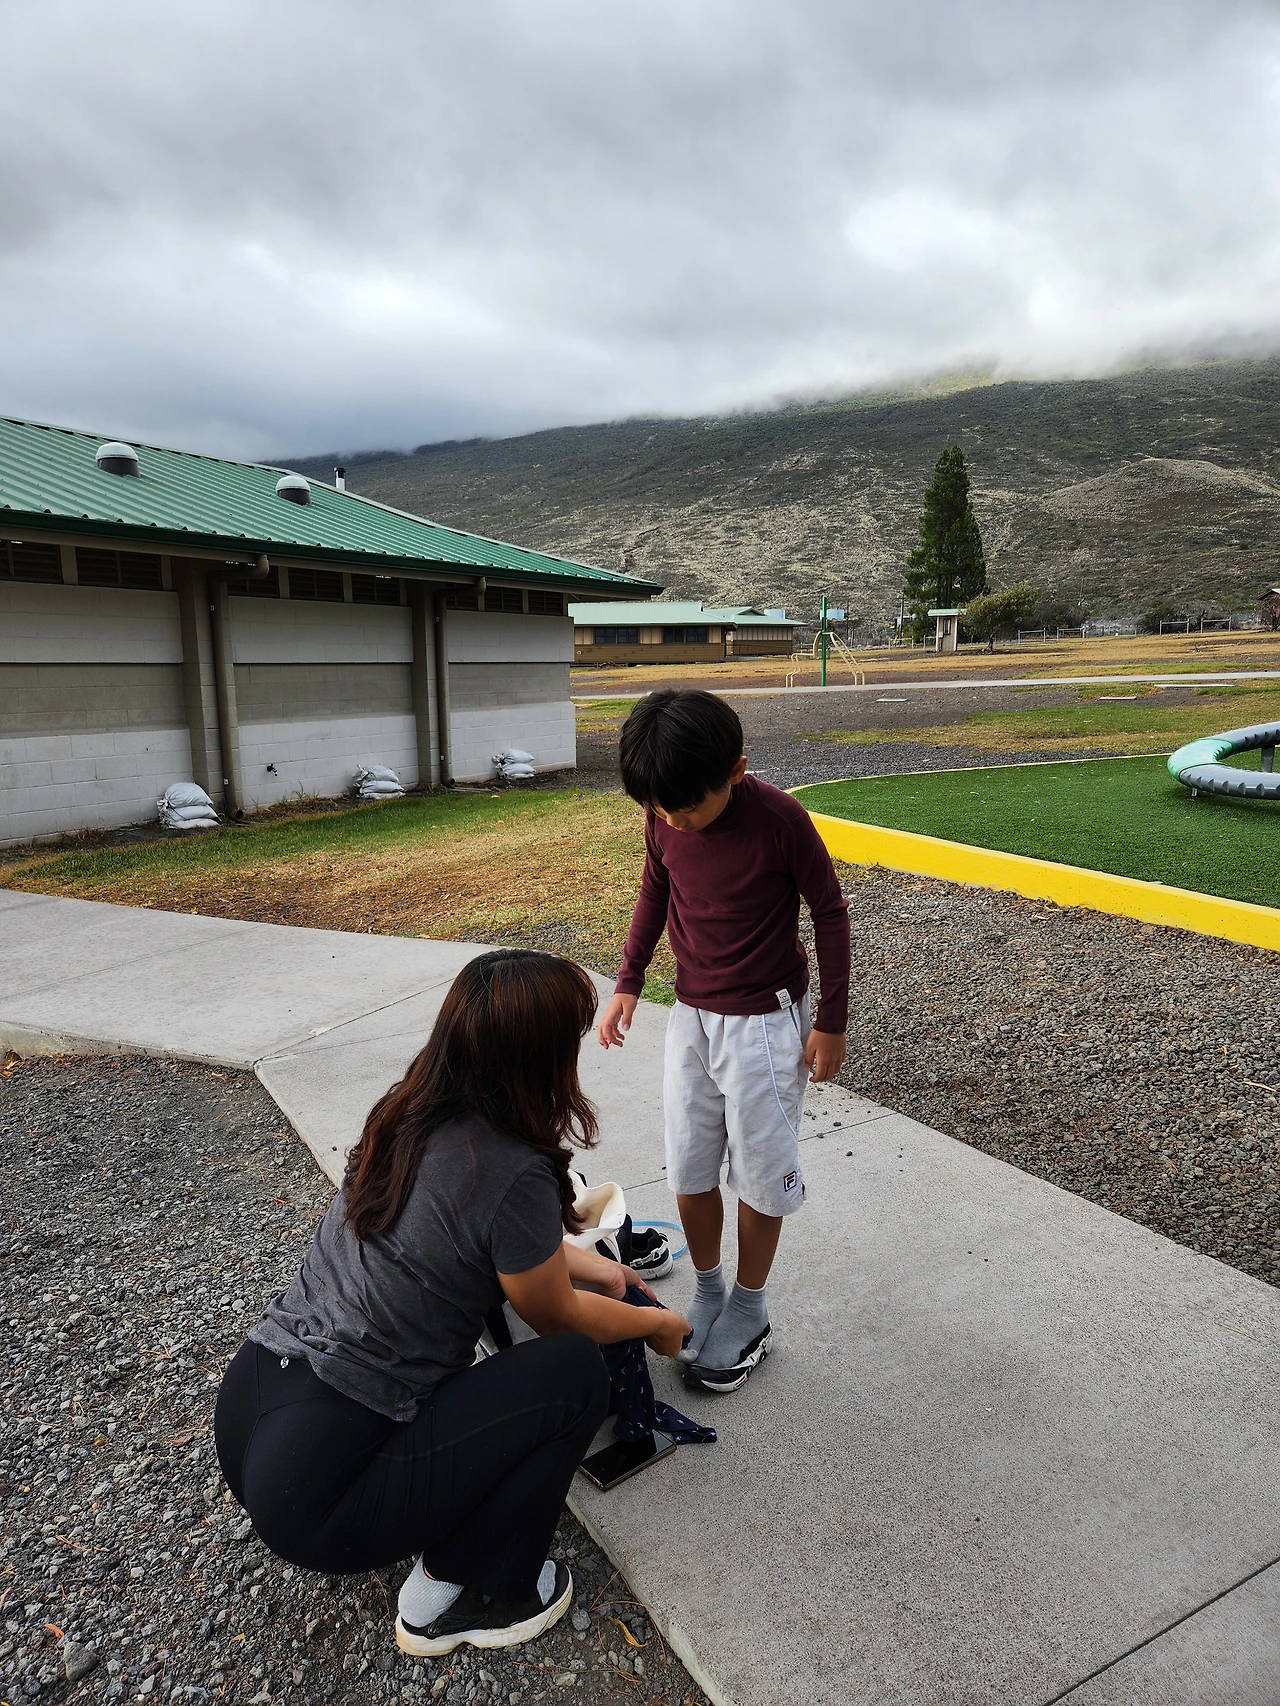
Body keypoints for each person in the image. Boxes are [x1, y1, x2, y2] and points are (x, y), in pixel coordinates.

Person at [214, 949, 689, 1660]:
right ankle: (468, 1592)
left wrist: (607, 1271)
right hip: (321, 1497)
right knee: (572, 1374)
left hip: (252, 1414)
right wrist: (657, 1324)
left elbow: (494, 1242)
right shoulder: (514, 1166)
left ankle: (407, 1521)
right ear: (538, 1057)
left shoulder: (405, 1114)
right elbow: (557, 1313)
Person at [597, 689, 851, 1395]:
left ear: (736, 771)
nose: (672, 820)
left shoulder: (780, 820)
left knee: (762, 1172)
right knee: (689, 1164)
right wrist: (628, 981)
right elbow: (655, 890)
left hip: (765, 1023)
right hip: (691, 1014)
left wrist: (831, 1020)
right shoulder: (663, 815)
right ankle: (709, 1288)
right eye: (659, 808)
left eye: (684, 808)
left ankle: (750, 1307)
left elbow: (829, 911)